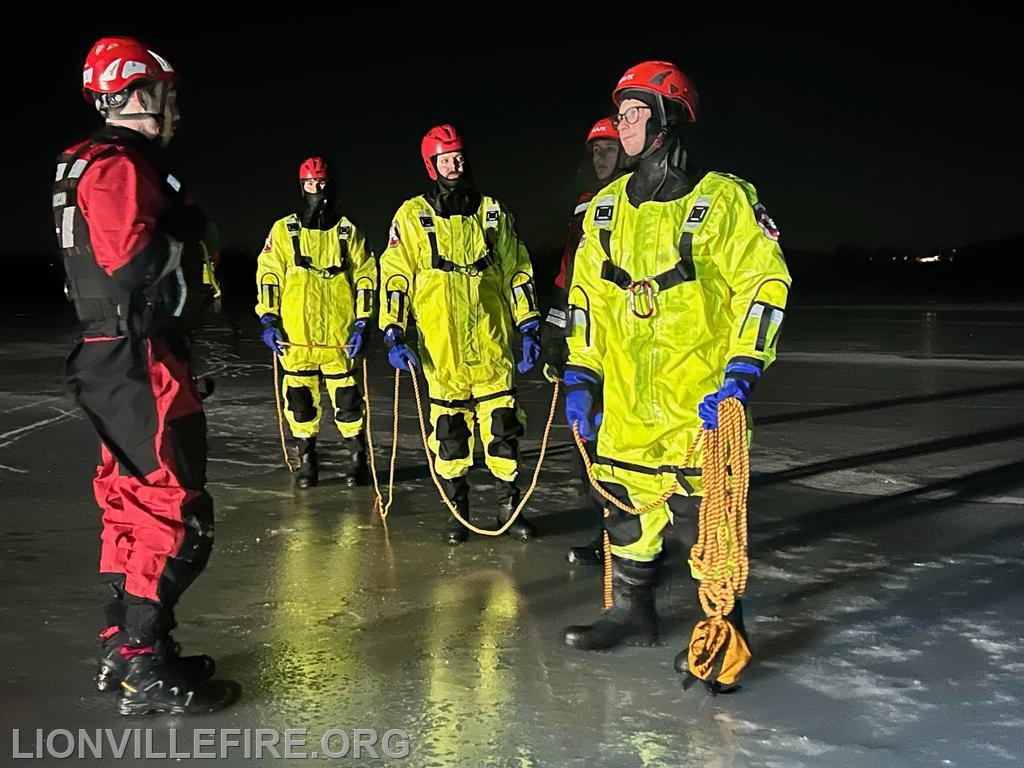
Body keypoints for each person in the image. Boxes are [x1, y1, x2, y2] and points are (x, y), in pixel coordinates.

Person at [560, 61, 791, 693]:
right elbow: (587, 300)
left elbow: (765, 284)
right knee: (625, 514)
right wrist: (581, 374)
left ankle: (723, 637)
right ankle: (631, 613)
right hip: (628, 406)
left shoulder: (723, 201)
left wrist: (743, 369)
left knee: (705, 525)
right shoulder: (605, 211)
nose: (623, 124)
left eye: (636, 112)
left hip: (700, 405)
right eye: (621, 113)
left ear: (667, 118)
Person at [56, 36, 233, 714]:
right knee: (176, 510)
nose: (175, 109)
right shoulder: (118, 165)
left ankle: (124, 645)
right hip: (140, 361)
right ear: (134, 94)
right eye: (165, 95)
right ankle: (143, 662)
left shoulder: (82, 160)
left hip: (108, 355)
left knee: (129, 500)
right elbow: (131, 263)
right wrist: (188, 236)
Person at [378, 124, 541, 544]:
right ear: (431, 165)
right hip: (441, 350)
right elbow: (395, 276)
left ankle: (509, 506)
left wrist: (528, 323)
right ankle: (458, 510)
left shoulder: (492, 211)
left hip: (492, 345)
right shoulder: (411, 216)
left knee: (504, 429)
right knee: (450, 434)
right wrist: (393, 330)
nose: (455, 165)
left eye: (459, 157)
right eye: (446, 159)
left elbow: (517, 269)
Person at [544, 117, 636, 566]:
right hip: (587, 343)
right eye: (595, 151)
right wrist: (554, 333)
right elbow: (568, 273)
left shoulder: (643, 200)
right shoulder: (586, 206)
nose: (599, 157)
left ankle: (638, 539)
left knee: (628, 445)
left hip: (629, 342)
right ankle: (610, 535)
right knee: (590, 444)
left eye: (608, 149)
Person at [256, 157, 377, 488]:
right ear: (301, 186)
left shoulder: (349, 231)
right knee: (300, 404)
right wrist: (269, 317)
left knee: (349, 403)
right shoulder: (284, 230)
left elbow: (366, 277)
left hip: (340, 337)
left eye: (321, 183)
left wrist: (363, 321)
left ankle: (357, 459)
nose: (316, 189)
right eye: (310, 183)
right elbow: (269, 275)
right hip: (296, 338)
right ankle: (307, 460)